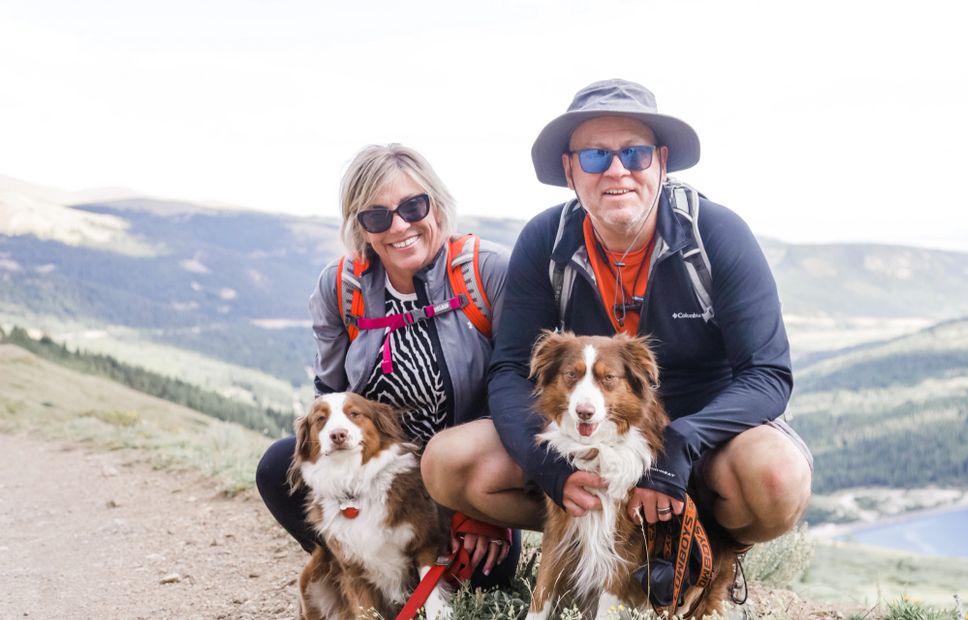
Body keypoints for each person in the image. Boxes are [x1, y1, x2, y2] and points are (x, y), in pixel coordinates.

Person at [422, 79, 812, 562]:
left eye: (635, 154)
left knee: (776, 479)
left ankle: (701, 555)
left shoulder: (715, 234)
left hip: (706, 442)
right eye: (594, 156)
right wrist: (543, 464)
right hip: (590, 440)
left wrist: (679, 444)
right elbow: (509, 370)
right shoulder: (547, 241)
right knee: (448, 464)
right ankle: (598, 538)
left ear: (662, 163)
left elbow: (768, 374)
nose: (616, 170)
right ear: (570, 170)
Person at [255, 143, 517, 585]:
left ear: (436, 204)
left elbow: (517, 394)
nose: (399, 226)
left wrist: (485, 511)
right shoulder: (341, 287)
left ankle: (420, 568)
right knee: (278, 466)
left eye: (413, 206)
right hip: (380, 477)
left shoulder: (485, 272)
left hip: (465, 479)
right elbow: (329, 402)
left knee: (482, 584)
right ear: (360, 227)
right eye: (376, 216)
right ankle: (365, 573)